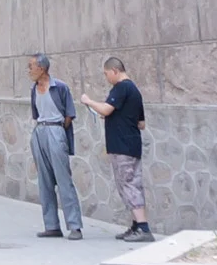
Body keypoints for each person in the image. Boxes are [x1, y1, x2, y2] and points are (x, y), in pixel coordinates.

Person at [80, 55, 152, 240]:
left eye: (106, 74)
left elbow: (105, 109)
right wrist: (117, 117)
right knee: (132, 183)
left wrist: (88, 101)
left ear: (115, 71)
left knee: (127, 184)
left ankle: (143, 229)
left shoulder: (121, 87)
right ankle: (136, 226)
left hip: (122, 146)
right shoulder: (134, 90)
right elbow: (141, 123)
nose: (106, 78)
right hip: (132, 144)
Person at [28, 51, 83, 240]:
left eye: (31, 66)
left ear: (41, 68)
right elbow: (36, 114)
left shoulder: (60, 87)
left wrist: (59, 132)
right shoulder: (34, 89)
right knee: (44, 181)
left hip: (55, 129)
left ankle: (74, 225)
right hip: (40, 131)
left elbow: (69, 114)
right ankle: (51, 225)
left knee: (63, 179)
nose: (29, 70)